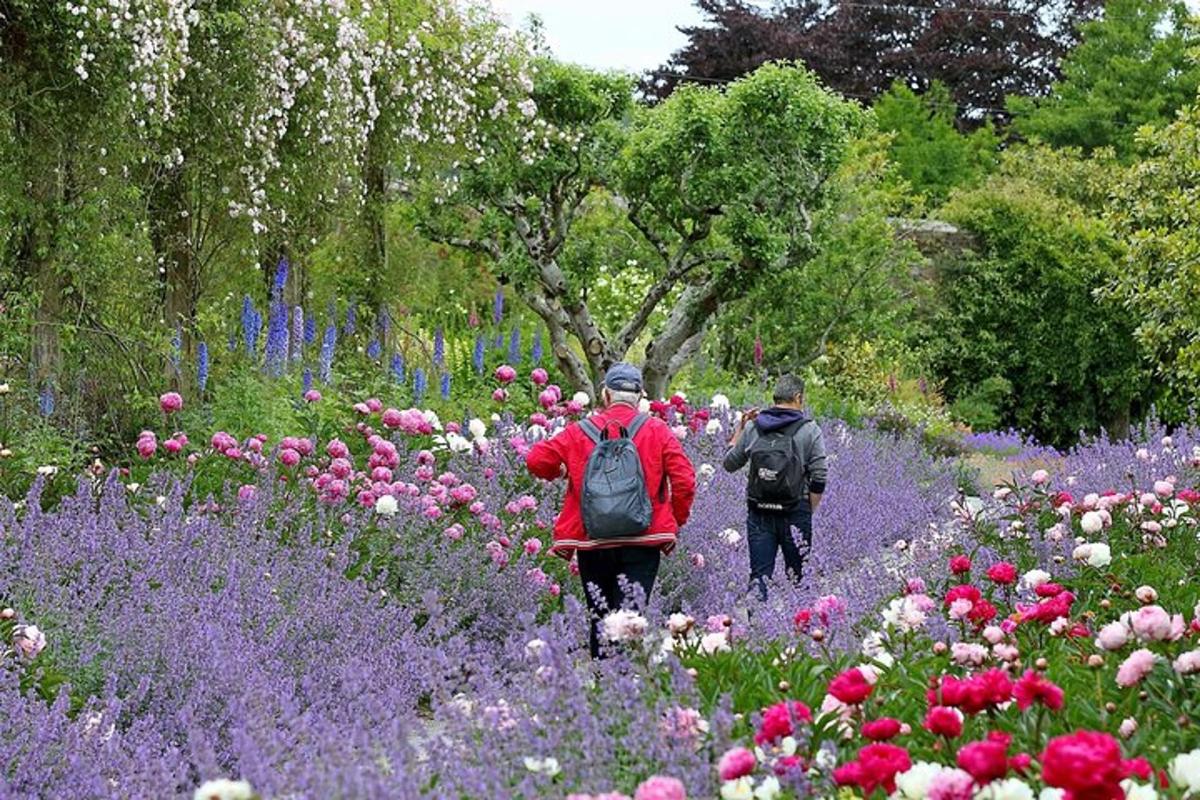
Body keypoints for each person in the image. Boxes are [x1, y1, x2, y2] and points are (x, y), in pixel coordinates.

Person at [526, 363, 696, 658]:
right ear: (640, 397)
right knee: (631, 619)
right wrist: (675, 519)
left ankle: (604, 685)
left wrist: (562, 469)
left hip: (594, 539)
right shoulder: (657, 430)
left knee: (600, 616)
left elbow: (536, 460)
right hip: (643, 540)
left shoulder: (579, 432)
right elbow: (685, 480)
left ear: (605, 395)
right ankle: (627, 686)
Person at [722, 374, 827, 602]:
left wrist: (740, 430)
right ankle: (800, 632)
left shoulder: (754, 428)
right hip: (795, 511)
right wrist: (809, 508)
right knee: (800, 578)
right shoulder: (809, 430)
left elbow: (729, 464)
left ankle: (754, 632)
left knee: (759, 576)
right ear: (798, 397)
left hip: (759, 511)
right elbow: (819, 477)